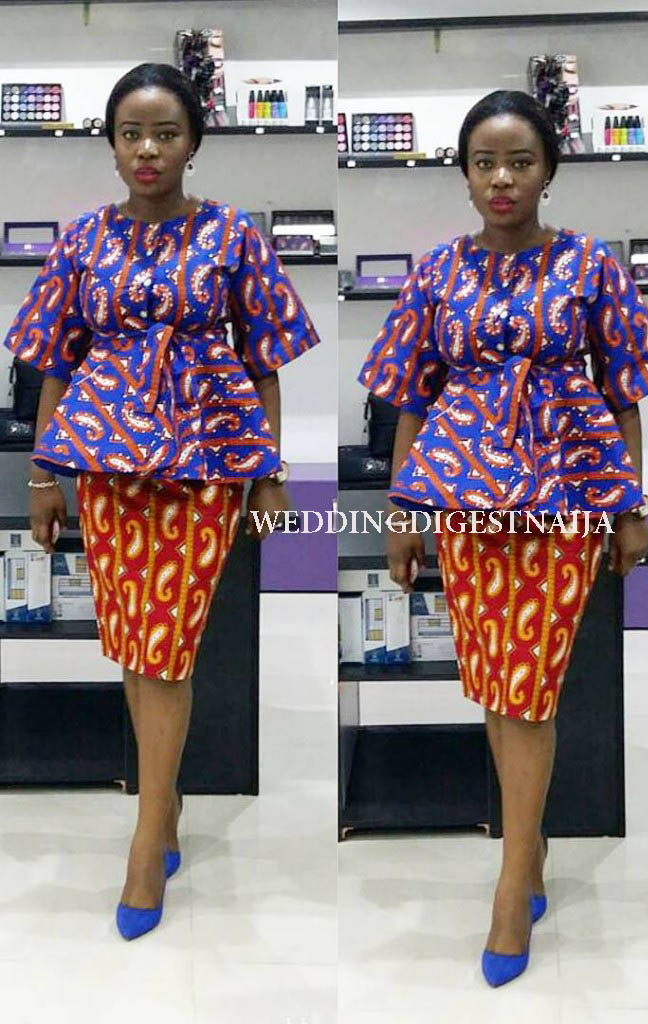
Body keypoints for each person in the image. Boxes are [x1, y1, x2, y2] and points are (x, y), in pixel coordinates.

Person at [358, 89, 648, 986]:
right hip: (462, 500)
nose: (502, 179)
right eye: (485, 163)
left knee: (530, 685)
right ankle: (528, 845)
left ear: (549, 171)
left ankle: (511, 875)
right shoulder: (436, 272)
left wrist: (629, 506)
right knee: (495, 680)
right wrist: (403, 511)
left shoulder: (591, 265)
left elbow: (623, 396)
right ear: (464, 175)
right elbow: (410, 399)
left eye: (521, 162)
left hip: (564, 495)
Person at [4, 63, 320, 941]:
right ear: (111, 146)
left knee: (168, 647)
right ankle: (165, 800)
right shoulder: (81, 240)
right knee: (132, 641)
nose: (148, 150)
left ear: (194, 144)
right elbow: (54, 364)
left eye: (166, 134)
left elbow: (263, 362)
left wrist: (267, 471)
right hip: (106, 468)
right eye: (132, 135)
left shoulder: (234, 236)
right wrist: (43, 478)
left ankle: (148, 834)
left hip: (204, 463)